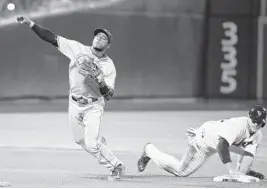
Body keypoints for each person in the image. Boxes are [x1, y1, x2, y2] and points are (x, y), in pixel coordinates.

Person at [16, 15, 125, 180]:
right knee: (79, 140)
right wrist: (30, 24)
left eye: (103, 38)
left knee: (91, 143)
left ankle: (116, 166)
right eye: (97, 35)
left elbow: (108, 95)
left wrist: (100, 80)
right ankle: (98, 143)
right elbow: (51, 38)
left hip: (93, 106)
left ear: (107, 45)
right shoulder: (77, 48)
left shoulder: (108, 66)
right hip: (74, 103)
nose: (99, 38)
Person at [137, 105, 265, 179]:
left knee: (244, 150)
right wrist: (232, 171)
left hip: (217, 141)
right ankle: (149, 149)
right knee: (181, 171)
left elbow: (247, 154)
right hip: (204, 139)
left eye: (259, 122)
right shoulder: (238, 126)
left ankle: (244, 170)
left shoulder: (257, 135)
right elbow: (222, 146)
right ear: (249, 117)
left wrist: (243, 172)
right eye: (254, 120)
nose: (256, 124)